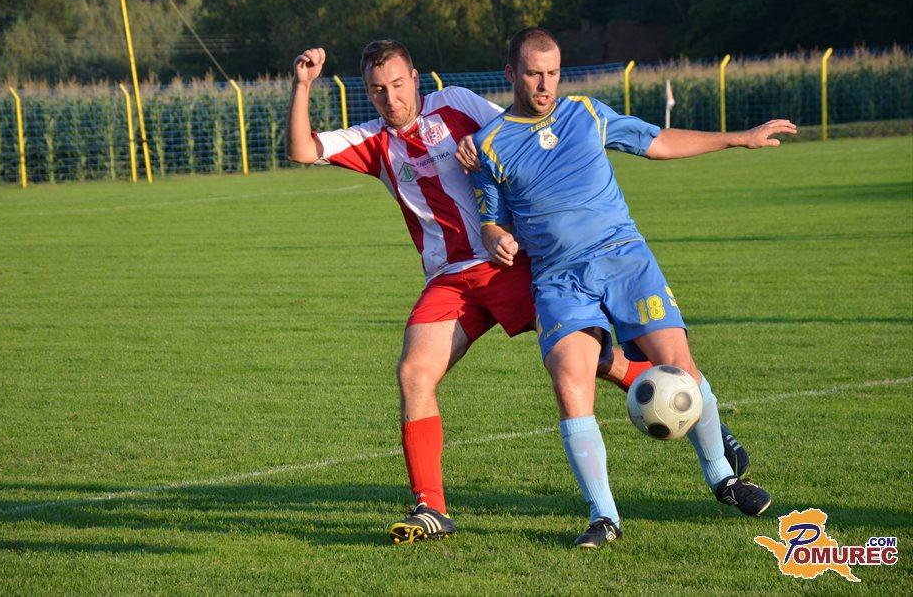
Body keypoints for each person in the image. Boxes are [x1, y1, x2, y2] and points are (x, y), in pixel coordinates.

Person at [286, 40, 749, 545]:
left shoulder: (456, 103)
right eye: (378, 90)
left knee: (590, 359)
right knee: (414, 373)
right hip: (450, 280)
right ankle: (430, 507)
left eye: (398, 85)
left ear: (416, 79)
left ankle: (693, 411)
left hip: (510, 266)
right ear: (367, 92)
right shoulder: (373, 141)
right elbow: (302, 150)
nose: (390, 98)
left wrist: (481, 152)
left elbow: (518, 128)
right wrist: (303, 85)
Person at [471, 27, 794, 549]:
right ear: (511, 74)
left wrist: (737, 138)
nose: (545, 85)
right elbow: (491, 219)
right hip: (559, 278)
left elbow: (657, 142)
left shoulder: (586, 113)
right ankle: (604, 517)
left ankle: (723, 477)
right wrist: (495, 236)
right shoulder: (489, 144)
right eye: (533, 74)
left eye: (553, 73)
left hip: (625, 260)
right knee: (570, 380)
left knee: (680, 365)